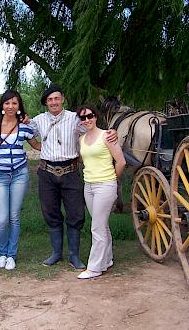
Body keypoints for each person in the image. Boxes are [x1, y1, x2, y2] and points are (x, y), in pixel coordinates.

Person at [29, 85, 116, 270]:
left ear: (62, 100)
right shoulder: (38, 121)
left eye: (57, 98)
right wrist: (38, 146)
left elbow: (92, 131)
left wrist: (111, 133)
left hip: (70, 172)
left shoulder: (75, 119)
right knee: (51, 213)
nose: (54, 102)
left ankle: (74, 256)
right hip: (47, 172)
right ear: (46, 102)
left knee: (75, 213)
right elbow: (25, 132)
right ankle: (56, 253)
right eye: (50, 99)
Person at [0, 90, 41, 270]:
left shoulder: (24, 127)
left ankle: (11, 255)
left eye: (14, 103)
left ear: (19, 107)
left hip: (19, 174)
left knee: (14, 216)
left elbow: (37, 145)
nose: (10, 106)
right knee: (2, 218)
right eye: (7, 103)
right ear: (2, 105)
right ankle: (2, 253)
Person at [76, 104, 125, 279]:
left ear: (96, 117)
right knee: (101, 224)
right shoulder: (82, 139)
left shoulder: (107, 136)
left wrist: (113, 179)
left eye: (90, 116)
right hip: (88, 185)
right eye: (83, 118)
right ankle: (107, 259)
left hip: (105, 185)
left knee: (96, 227)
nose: (87, 120)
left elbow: (121, 162)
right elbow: (83, 160)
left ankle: (95, 267)